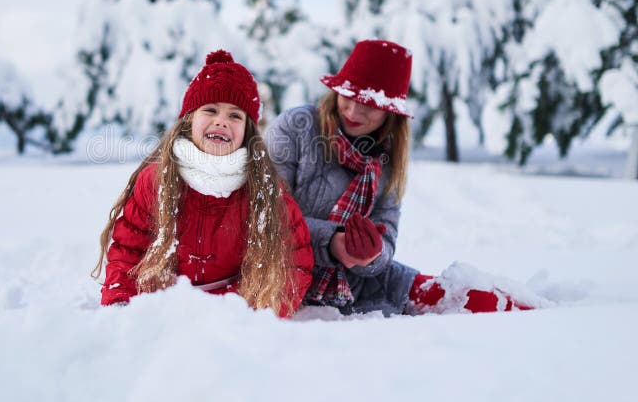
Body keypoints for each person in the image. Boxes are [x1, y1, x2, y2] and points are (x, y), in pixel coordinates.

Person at [265, 39, 540, 316]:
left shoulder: (387, 159)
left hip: (353, 283)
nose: (353, 111)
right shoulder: (297, 127)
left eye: (369, 104)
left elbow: (386, 246)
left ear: (389, 111)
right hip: (278, 271)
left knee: (468, 299)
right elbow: (263, 216)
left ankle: (544, 310)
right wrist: (333, 241)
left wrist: (369, 255)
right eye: (348, 96)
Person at [92, 50, 314, 318]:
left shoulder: (265, 191)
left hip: (234, 318)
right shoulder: (155, 180)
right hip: (160, 312)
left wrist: (244, 316)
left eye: (235, 115)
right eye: (210, 110)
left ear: (247, 131)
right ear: (189, 120)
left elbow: (294, 265)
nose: (221, 120)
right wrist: (121, 306)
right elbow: (128, 253)